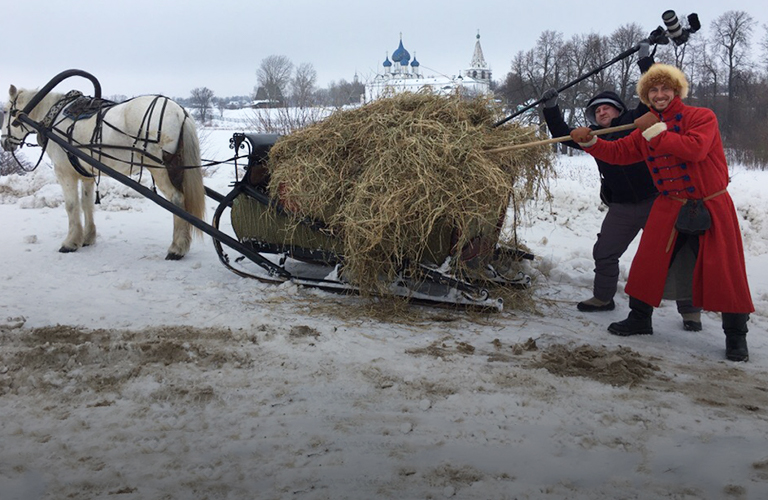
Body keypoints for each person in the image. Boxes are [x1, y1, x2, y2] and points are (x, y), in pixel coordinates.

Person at [569, 63, 754, 362]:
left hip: (711, 203)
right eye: (652, 90)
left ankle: (736, 337)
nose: (659, 94)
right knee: (648, 262)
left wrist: (655, 130)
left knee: (725, 271)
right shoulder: (647, 126)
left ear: (676, 91)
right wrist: (591, 142)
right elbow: (619, 153)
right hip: (669, 203)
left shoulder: (701, 117)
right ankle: (640, 319)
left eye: (665, 89)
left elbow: (694, 149)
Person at [540, 42, 703, 331]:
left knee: (675, 253)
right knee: (604, 250)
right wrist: (551, 108)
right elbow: (564, 136)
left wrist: (645, 62)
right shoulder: (595, 137)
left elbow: (654, 98)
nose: (602, 113)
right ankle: (603, 298)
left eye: (607, 108)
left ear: (618, 110)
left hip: (656, 201)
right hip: (622, 206)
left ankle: (689, 311)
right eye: (597, 111)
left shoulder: (632, 122)